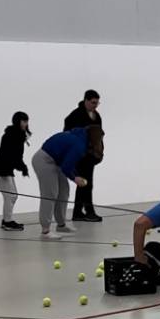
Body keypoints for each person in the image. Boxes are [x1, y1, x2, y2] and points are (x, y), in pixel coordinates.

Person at [32, 124, 100, 238]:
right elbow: (66, 167)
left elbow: (68, 162)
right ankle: (45, 231)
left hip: (56, 162)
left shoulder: (80, 136)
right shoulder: (79, 145)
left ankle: (61, 225)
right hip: (44, 161)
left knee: (64, 192)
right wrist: (75, 178)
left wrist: (75, 175)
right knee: (50, 194)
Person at [64, 90, 102, 223]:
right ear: (86, 100)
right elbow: (68, 134)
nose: (95, 105)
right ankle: (89, 212)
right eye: (93, 103)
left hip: (91, 154)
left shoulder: (96, 115)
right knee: (86, 183)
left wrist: (98, 151)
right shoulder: (75, 115)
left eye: (97, 103)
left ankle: (78, 212)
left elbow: (98, 135)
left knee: (84, 183)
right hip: (79, 154)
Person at [0, 111, 31, 231]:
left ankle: (6, 220)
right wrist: (22, 167)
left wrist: (22, 167)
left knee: (13, 196)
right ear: (18, 121)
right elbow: (11, 155)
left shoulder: (18, 135)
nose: (26, 123)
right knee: (10, 196)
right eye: (23, 121)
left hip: (6, 168)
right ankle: (7, 222)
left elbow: (17, 156)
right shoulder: (12, 135)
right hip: (1, 168)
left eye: (26, 121)